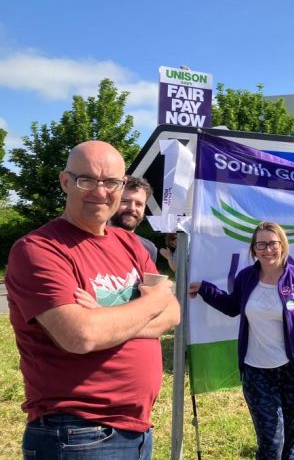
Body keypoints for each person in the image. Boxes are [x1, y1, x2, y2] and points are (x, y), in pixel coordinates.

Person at [5, 140, 180, 459]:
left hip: (137, 431)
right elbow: (81, 334)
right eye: (87, 180)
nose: (101, 192)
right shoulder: (39, 250)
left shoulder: (129, 243)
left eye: (111, 182)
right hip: (76, 433)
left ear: (122, 184)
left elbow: (172, 312)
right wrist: (150, 304)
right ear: (65, 181)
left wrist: (105, 319)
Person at [189, 221, 294, 460]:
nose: (267, 249)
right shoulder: (246, 278)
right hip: (257, 371)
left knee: (289, 447)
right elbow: (232, 307)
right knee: (272, 445)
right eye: (260, 244)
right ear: (253, 249)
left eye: (272, 243)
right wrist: (205, 289)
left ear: (282, 246)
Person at [110, 175, 158, 263]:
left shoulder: (148, 249)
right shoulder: (88, 242)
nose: (132, 208)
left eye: (138, 204)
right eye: (124, 201)